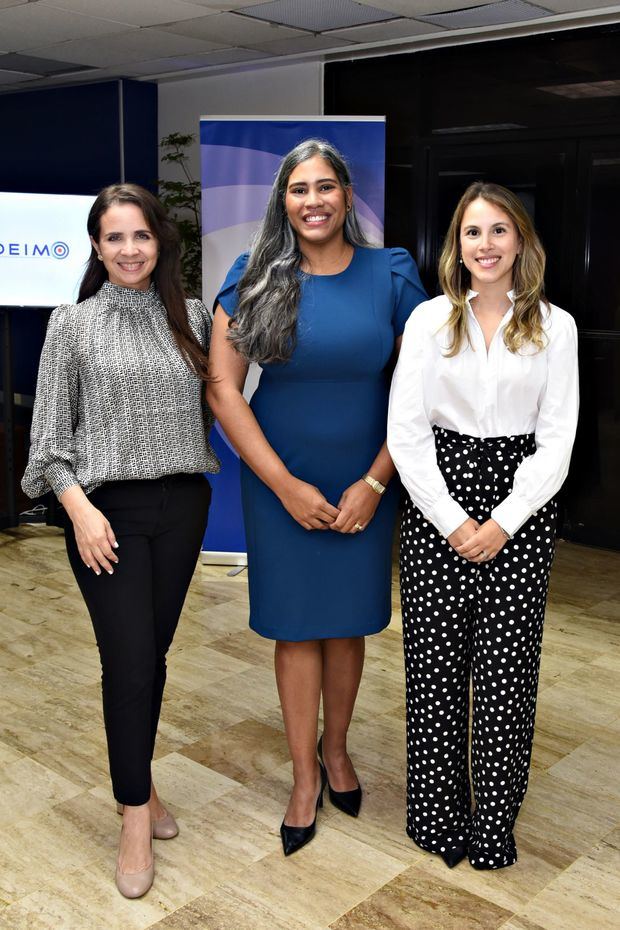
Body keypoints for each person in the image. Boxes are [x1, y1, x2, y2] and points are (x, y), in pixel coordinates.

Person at [207, 139, 427, 856]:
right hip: (281, 477)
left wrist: (374, 481)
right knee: (298, 626)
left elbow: (424, 388)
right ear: (283, 199)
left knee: (347, 622)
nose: (313, 201)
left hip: (370, 475)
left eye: (326, 187)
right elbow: (222, 388)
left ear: (346, 195)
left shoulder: (390, 273)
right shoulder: (255, 277)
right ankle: (305, 776)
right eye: (299, 189)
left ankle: (338, 751)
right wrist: (282, 484)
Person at [22, 183, 218, 898]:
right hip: (105, 515)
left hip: (184, 507)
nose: (130, 250)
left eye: (141, 236)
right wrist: (80, 510)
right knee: (130, 661)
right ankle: (134, 813)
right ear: (97, 247)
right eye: (115, 238)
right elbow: (46, 446)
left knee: (151, 656)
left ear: (159, 242)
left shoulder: (192, 317)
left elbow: (225, 400)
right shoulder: (71, 324)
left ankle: (142, 784)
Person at [388, 181, 579, 870]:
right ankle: (437, 816)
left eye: (500, 230)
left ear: (521, 241)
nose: (487, 244)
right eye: (474, 232)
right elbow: (406, 435)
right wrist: (448, 519)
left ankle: (493, 820)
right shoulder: (428, 322)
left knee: (505, 676)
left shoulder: (556, 327)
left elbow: (557, 441)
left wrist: (501, 521)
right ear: (457, 245)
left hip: (522, 509)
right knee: (435, 672)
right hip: (438, 497)